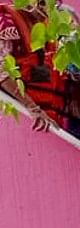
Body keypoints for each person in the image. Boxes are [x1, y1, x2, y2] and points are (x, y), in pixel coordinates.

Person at [0, 1, 65, 132]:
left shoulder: (48, 26)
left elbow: (44, 68)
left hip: (50, 119)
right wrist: (32, 108)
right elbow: (1, 72)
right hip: (23, 118)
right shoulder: (5, 22)